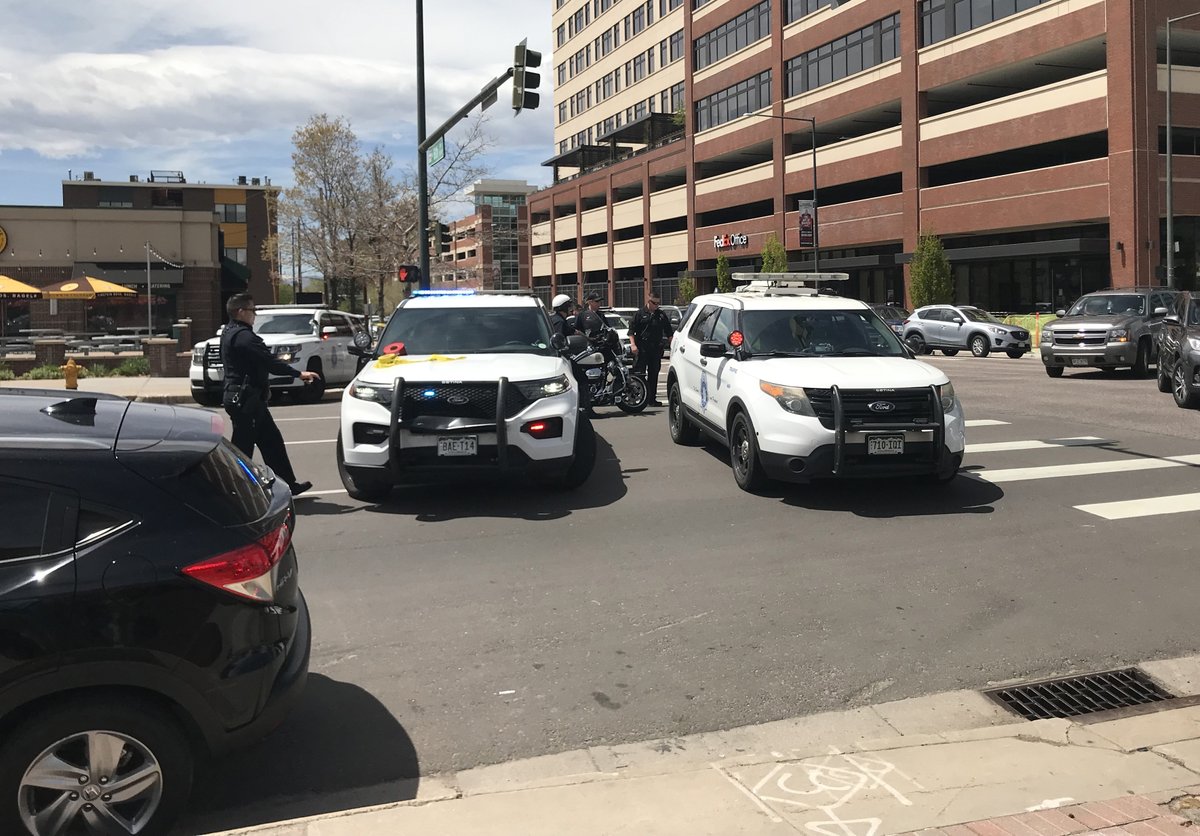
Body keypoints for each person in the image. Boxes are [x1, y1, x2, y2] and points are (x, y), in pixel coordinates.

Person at [220, 293, 321, 497]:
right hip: (246, 400)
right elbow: (270, 363)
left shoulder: (230, 332)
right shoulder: (244, 337)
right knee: (242, 449)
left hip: (247, 398)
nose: (254, 315)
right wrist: (299, 373)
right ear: (240, 312)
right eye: (252, 310)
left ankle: (287, 484)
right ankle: (231, 492)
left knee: (271, 441)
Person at [629, 292, 673, 407]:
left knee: (654, 374)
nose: (656, 305)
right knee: (639, 374)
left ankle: (651, 399)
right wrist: (633, 345)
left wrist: (672, 345)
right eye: (654, 303)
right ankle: (637, 398)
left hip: (655, 349)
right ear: (648, 301)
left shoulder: (661, 315)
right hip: (642, 348)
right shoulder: (639, 314)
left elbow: (669, 331)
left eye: (658, 303)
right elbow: (631, 331)